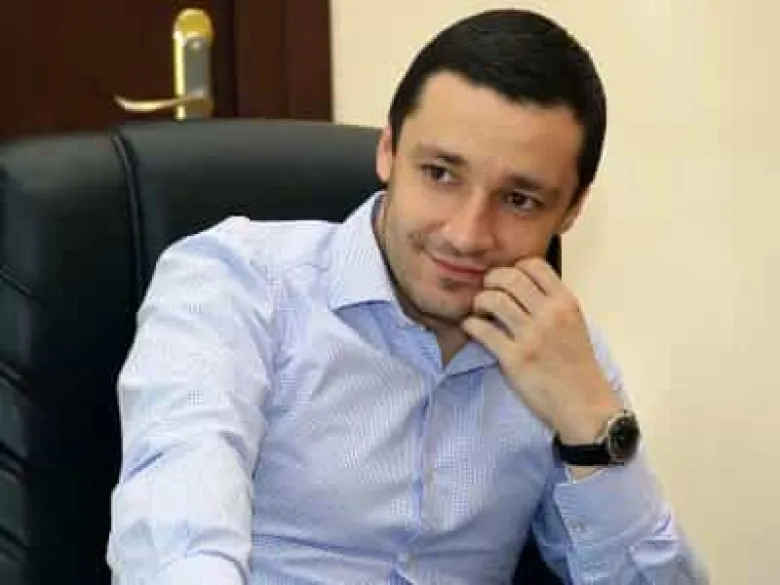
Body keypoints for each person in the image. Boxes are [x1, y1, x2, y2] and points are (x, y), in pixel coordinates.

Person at [106, 9, 708, 585]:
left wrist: (592, 427)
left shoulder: (561, 355)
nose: (466, 235)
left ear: (572, 210)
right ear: (389, 150)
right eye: (441, 173)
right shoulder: (237, 283)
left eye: (519, 200)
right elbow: (176, 536)